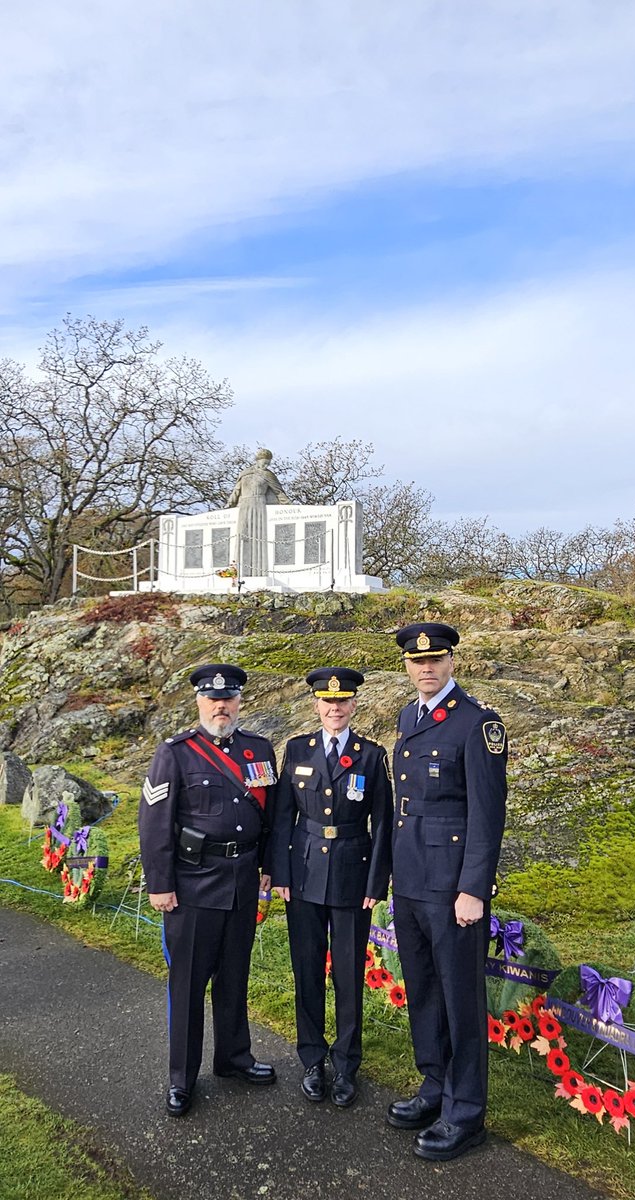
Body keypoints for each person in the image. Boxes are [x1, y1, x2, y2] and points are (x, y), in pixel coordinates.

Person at [386, 623, 507, 1161]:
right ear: (407, 667)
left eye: (436, 659)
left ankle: (465, 1113)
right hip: (410, 880)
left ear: (451, 661)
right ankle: (435, 1087)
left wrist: (473, 889)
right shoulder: (408, 717)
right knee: (425, 993)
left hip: (453, 888)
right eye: (417, 662)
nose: (426, 668)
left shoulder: (477, 724)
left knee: (459, 1001)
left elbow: (487, 814)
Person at [138, 663, 278, 1117]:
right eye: (212, 698)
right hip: (193, 886)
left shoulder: (259, 749)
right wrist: (160, 884)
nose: (221, 705)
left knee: (235, 977)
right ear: (198, 701)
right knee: (189, 984)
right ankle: (182, 1077)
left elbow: (271, 819)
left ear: (239, 701)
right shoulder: (175, 753)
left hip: (240, 882)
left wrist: (268, 868)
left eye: (229, 698)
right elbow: (154, 823)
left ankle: (234, 1058)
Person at [270, 667, 393, 1107]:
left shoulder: (371, 755)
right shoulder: (297, 749)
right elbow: (283, 816)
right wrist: (279, 872)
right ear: (317, 706)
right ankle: (312, 1060)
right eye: (327, 702)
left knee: (347, 975)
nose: (335, 708)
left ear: (354, 705)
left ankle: (346, 1063)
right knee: (306, 971)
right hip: (302, 875)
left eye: (342, 702)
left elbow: (383, 822)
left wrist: (377, 881)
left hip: (351, 876)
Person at [227, 448, 290, 576]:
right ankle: (239, 570)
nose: (266, 465)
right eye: (264, 462)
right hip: (244, 505)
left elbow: (278, 492)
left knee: (259, 536)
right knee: (242, 534)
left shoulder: (268, 475)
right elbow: (236, 491)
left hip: (259, 505)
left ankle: (258, 570)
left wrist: (287, 505)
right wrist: (229, 504)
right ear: (258, 460)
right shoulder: (245, 474)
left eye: (268, 463)